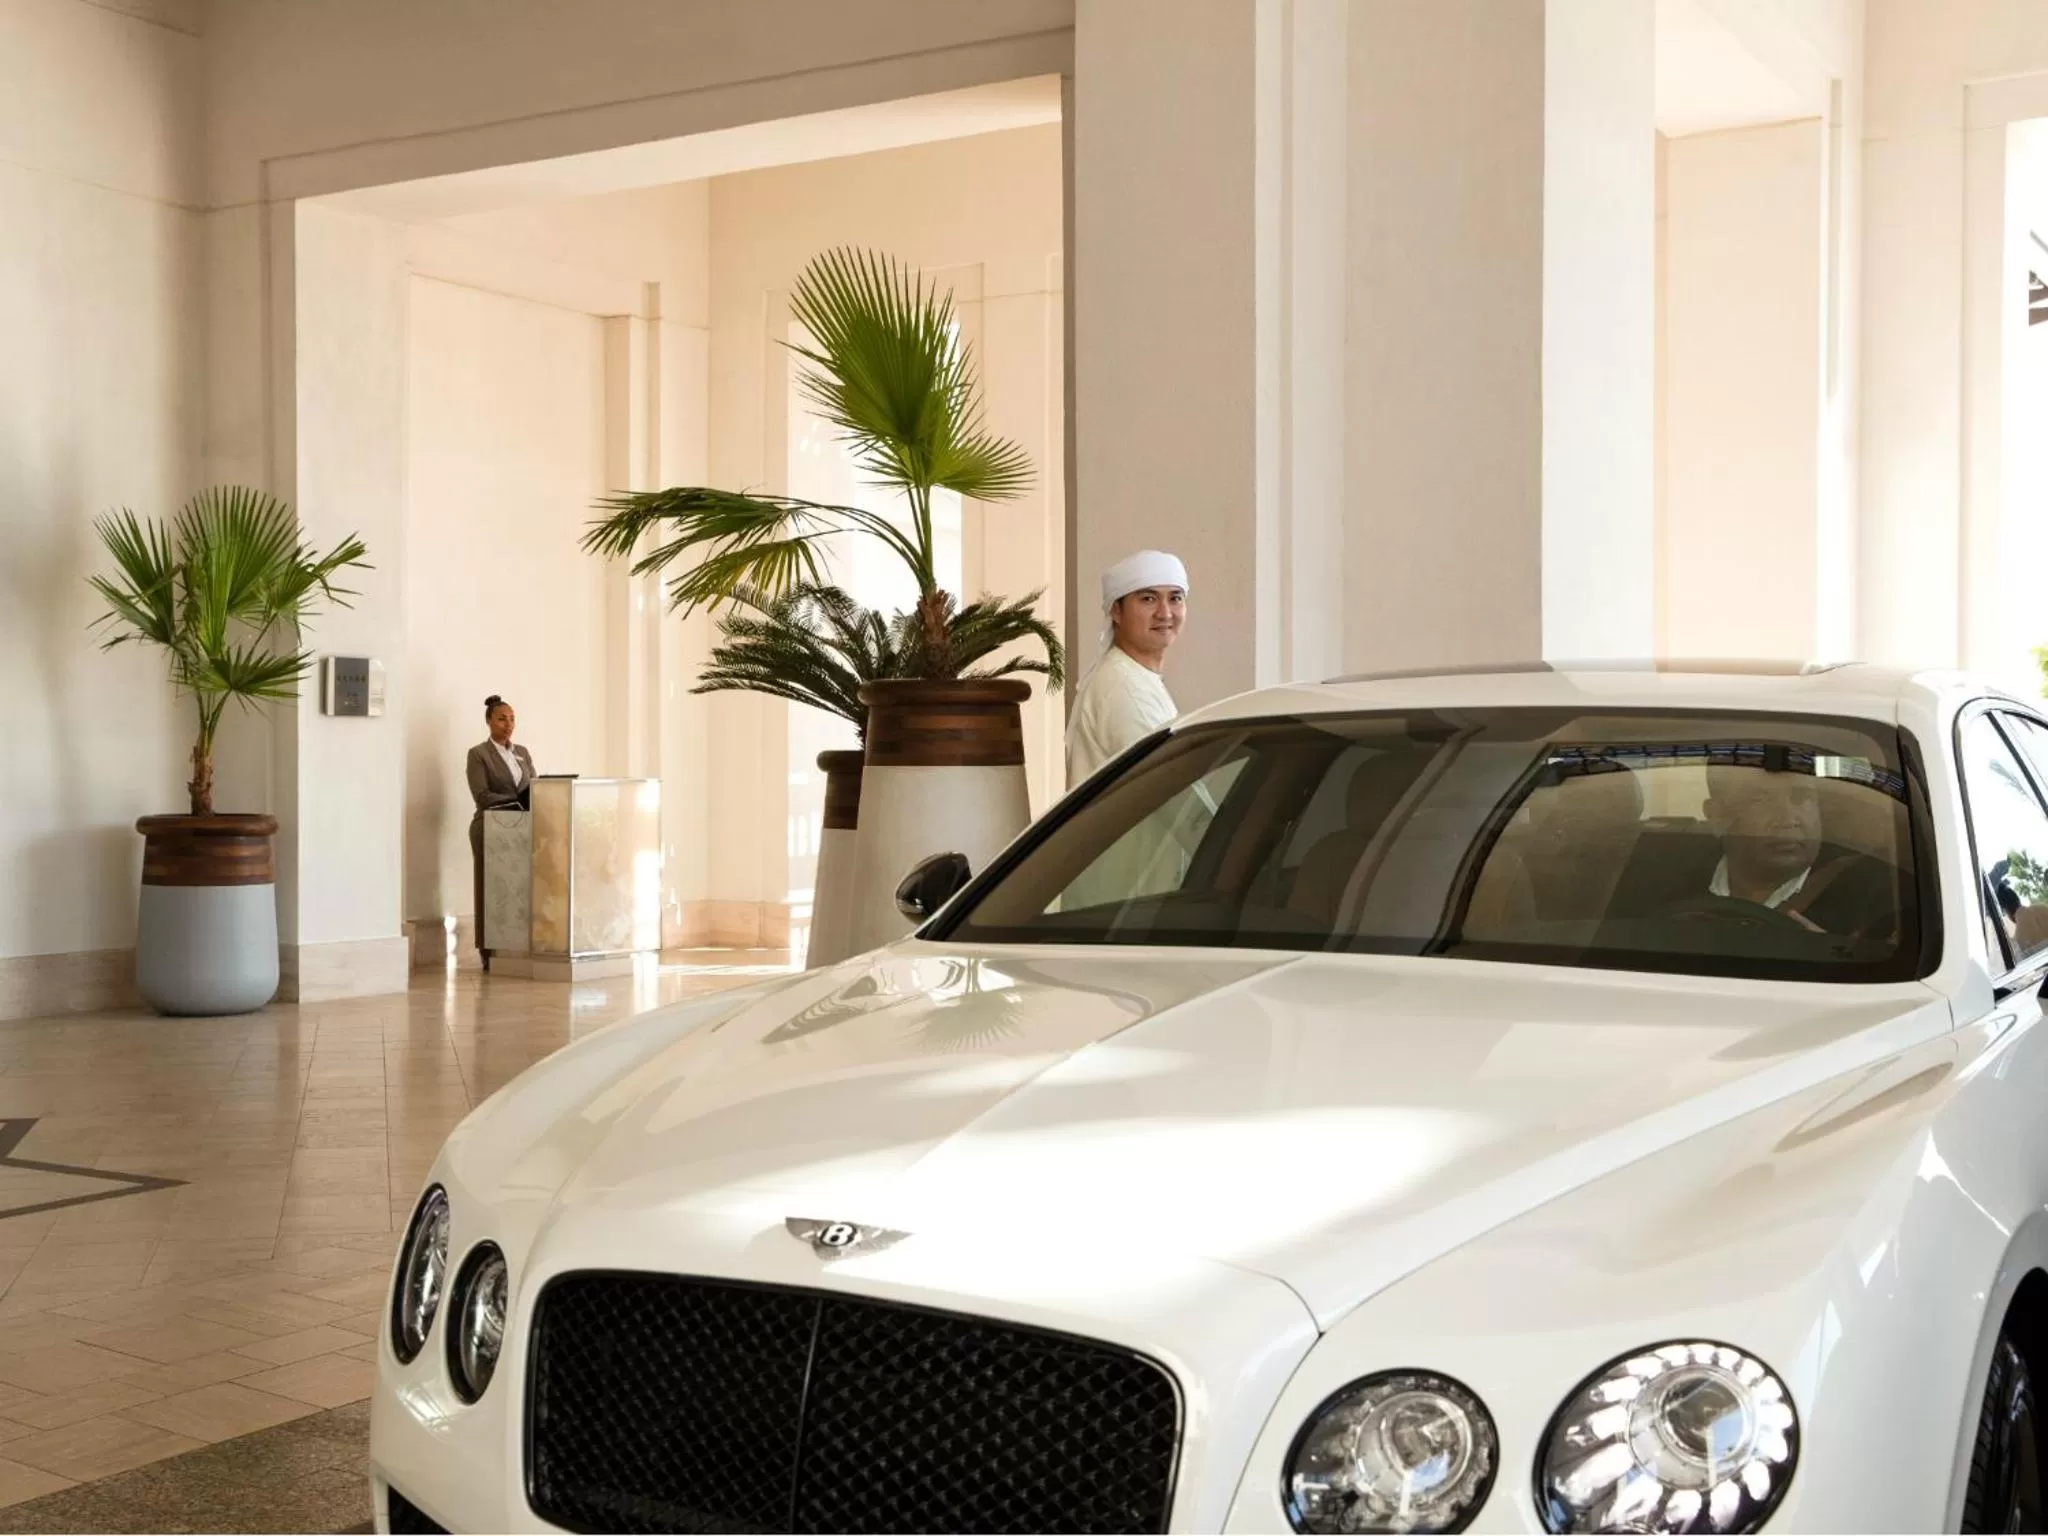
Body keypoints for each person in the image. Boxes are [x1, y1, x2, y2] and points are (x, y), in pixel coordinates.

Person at [1065, 550, 1188, 788]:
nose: (1165, 613)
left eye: (1175, 598)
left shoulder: (1133, 677)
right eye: (1148, 599)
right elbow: (1172, 792)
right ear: (1116, 611)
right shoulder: (1125, 689)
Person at [466, 695, 535, 971]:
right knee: (489, 888)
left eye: (512, 718)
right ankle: (487, 950)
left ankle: (516, 945)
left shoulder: (523, 753)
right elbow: (482, 795)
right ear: (488, 721)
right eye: (502, 719)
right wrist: (516, 799)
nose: (508, 724)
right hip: (490, 827)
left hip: (522, 828)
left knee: (519, 888)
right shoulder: (478, 754)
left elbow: (535, 786)